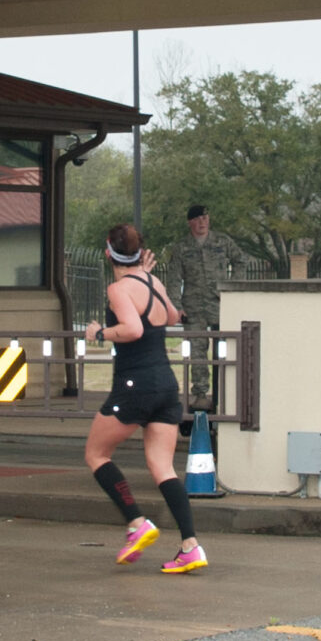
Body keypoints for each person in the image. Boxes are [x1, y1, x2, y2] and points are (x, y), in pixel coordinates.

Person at [81, 222, 206, 574]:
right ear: (139, 253)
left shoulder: (119, 289)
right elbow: (172, 316)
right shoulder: (154, 282)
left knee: (96, 453)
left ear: (108, 252)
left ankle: (137, 523)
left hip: (135, 386)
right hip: (166, 384)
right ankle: (190, 546)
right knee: (163, 467)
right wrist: (148, 279)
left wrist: (100, 332)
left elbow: (133, 329)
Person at [172, 203, 228, 406]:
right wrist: (176, 305)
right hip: (193, 306)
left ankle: (225, 392)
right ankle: (201, 394)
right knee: (197, 350)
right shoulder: (182, 248)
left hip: (219, 303)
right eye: (197, 219)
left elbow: (241, 260)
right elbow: (174, 278)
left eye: (205, 218)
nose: (202, 222)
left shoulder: (222, 241)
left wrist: (232, 287)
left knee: (224, 349)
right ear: (190, 223)